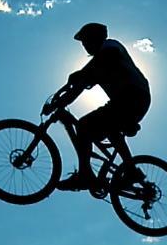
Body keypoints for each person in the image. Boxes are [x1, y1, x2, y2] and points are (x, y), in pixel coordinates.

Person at [52, 23, 151, 191]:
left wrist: (79, 74)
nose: (84, 46)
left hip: (132, 97)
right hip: (129, 101)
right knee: (108, 129)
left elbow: (100, 62)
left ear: (95, 38)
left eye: (86, 41)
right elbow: (78, 88)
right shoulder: (97, 65)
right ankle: (131, 170)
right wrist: (59, 102)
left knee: (84, 126)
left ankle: (85, 175)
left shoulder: (110, 46)